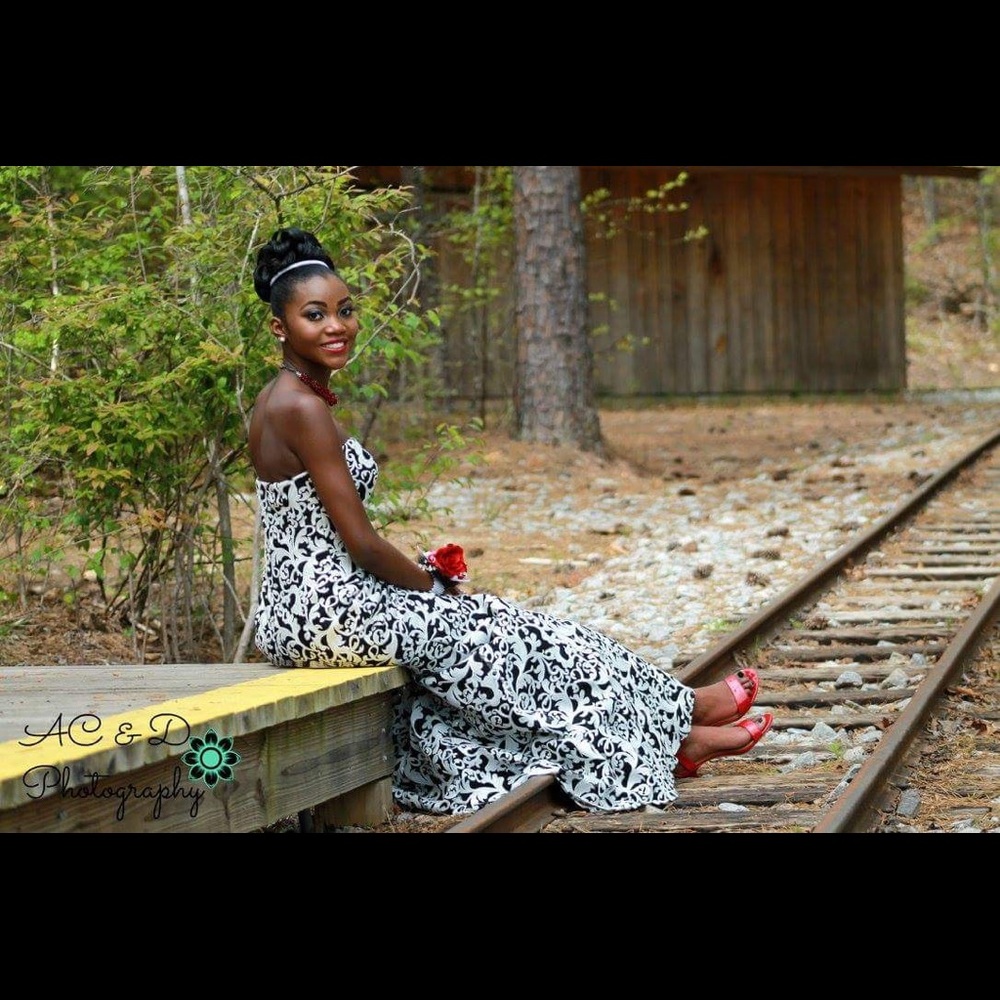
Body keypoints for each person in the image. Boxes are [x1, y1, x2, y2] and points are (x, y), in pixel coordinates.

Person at [248, 226, 773, 815]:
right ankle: (678, 722)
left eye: (344, 311)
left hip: (318, 599)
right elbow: (363, 543)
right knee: (502, 637)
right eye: (315, 315)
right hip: (323, 609)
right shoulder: (299, 409)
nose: (336, 326)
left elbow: (342, 543)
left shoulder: (291, 398)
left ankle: (674, 726)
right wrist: (435, 586)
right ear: (280, 327)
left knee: (527, 632)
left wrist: (431, 583)